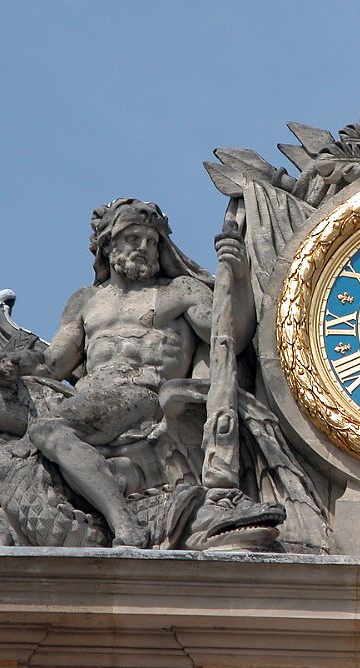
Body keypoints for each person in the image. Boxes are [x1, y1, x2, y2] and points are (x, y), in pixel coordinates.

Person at [23, 198, 251, 547]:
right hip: (89, 399)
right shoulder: (85, 301)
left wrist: (238, 277)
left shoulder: (180, 291)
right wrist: (7, 364)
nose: (144, 248)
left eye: (152, 241)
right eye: (133, 239)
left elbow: (227, 336)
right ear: (109, 245)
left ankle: (124, 523)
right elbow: (53, 364)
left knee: (48, 429)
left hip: (145, 396)